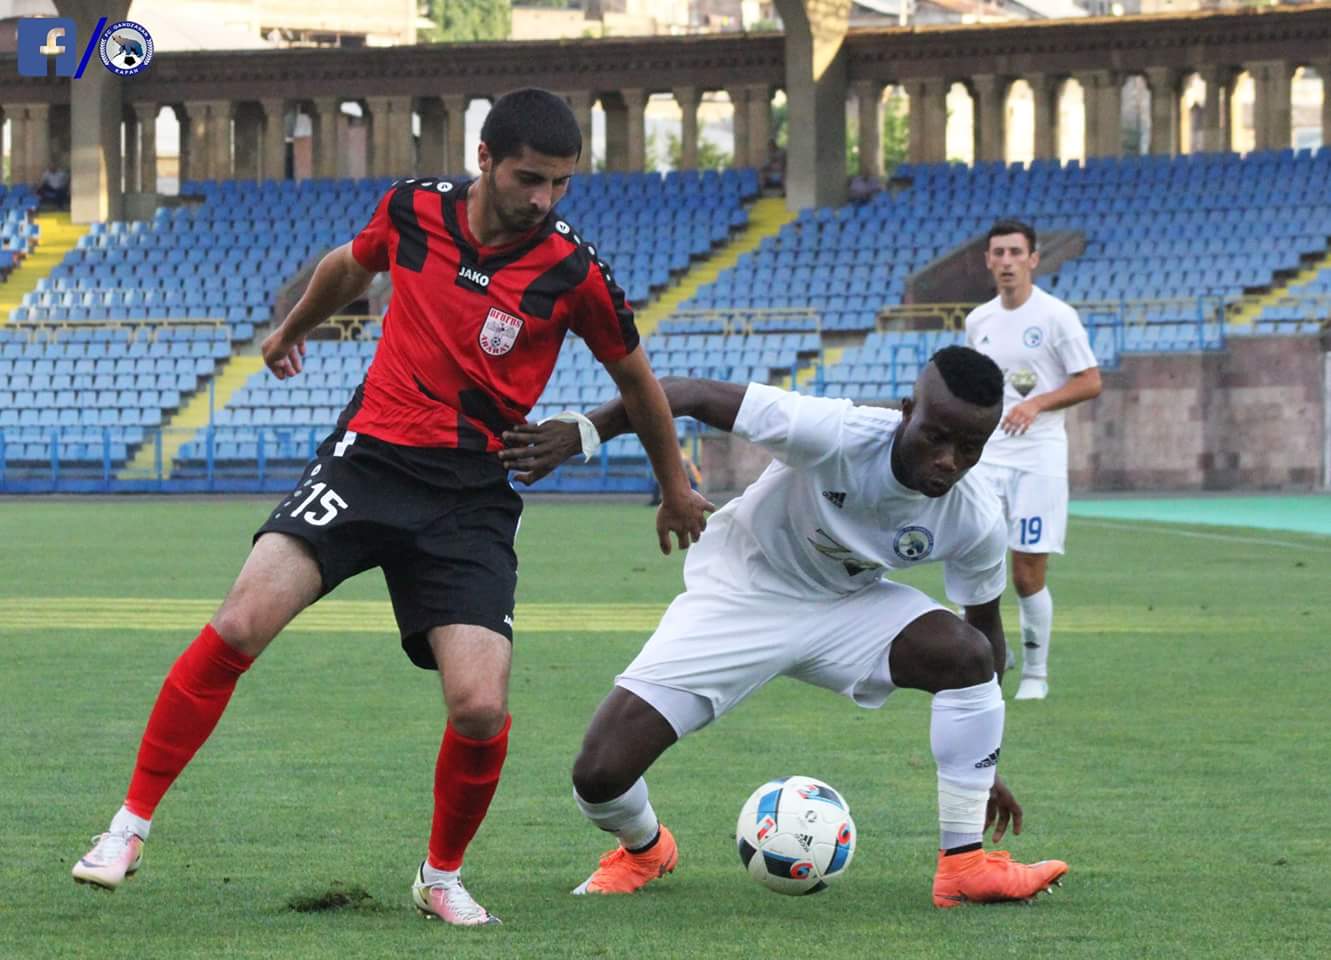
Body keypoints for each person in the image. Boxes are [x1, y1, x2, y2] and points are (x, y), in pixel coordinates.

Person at [71, 88, 711, 926]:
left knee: (481, 706)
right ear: (484, 159)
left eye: (561, 185)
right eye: (530, 179)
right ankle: (127, 828)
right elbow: (349, 263)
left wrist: (673, 486)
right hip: (369, 460)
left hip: (471, 498)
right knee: (238, 624)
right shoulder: (412, 210)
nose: (545, 201)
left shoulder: (572, 270)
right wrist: (291, 328)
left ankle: (439, 876)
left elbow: (638, 382)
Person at [499, 347, 1069, 908]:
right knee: (599, 776)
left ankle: (964, 867)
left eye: (970, 447)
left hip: (849, 609)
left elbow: (986, 632)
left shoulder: (975, 513)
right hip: (745, 594)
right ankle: (644, 848)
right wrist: (584, 432)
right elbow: (687, 394)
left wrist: (982, 765)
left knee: (966, 656)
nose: (949, 460)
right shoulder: (834, 432)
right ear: (905, 411)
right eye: (936, 436)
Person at [964, 220, 1102, 701]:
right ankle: (988, 656)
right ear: (988, 260)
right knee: (977, 561)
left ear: (1033, 259)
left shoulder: (1056, 317)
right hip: (987, 460)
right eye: (998, 253)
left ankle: (1037, 673)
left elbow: (1090, 380)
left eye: (1015, 253)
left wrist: (1036, 403)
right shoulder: (978, 321)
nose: (1006, 261)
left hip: (1039, 458)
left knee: (1026, 573)